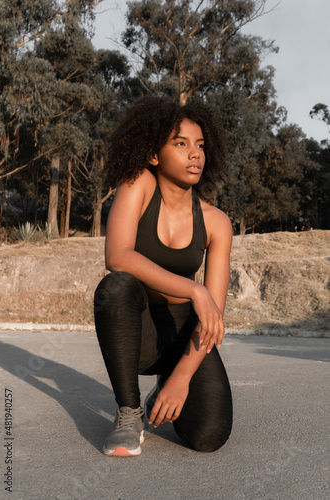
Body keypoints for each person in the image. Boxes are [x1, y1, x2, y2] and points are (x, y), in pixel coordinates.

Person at [94, 95, 233, 457]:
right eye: (181, 143)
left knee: (209, 436)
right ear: (154, 154)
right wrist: (194, 289)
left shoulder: (216, 222)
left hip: (186, 335)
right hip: (137, 331)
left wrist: (182, 379)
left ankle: (165, 384)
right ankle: (128, 413)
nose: (195, 154)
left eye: (200, 145)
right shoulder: (137, 183)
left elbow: (212, 318)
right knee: (116, 286)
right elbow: (117, 255)